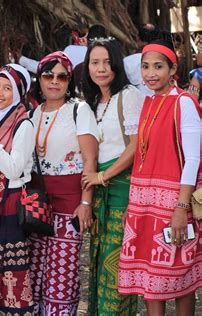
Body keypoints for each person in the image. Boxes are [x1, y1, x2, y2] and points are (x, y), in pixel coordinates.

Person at [118, 41, 202, 315]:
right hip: (144, 204)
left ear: (173, 69)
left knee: (181, 278)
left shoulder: (184, 103)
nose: (150, 73)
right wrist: (133, 206)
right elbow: (143, 157)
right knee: (150, 279)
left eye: (158, 67)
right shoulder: (148, 102)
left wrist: (181, 207)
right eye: (145, 67)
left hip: (174, 202)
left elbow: (193, 159)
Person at [28, 51, 98, 315]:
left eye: (62, 76)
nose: (54, 81)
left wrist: (85, 202)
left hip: (70, 203)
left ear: (70, 80)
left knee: (63, 274)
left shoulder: (79, 111)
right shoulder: (32, 113)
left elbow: (90, 161)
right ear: (40, 79)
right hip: (37, 204)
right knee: (35, 270)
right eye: (48, 75)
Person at [80, 38, 145, 315]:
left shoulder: (128, 95)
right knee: (98, 261)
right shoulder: (93, 101)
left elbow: (135, 146)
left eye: (107, 62)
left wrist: (102, 176)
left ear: (117, 64)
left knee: (116, 264)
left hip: (122, 190)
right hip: (101, 193)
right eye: (95, 63)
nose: (101, 68)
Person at [0, 64, 35, 314]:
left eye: (8, 88)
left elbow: (13, 169)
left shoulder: (23, 124)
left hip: (10, 201)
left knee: (10, 263)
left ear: (19, 93)